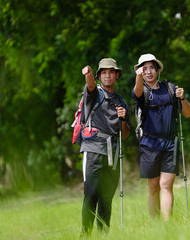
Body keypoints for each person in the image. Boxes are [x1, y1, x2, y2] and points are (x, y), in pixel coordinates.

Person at [132, 53, 190, 221]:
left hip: (170, 143)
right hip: (149, 142)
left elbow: (187, 113)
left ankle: (167, 225)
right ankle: (155, 224)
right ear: (140, 72)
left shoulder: (170, 88)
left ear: (157, 70)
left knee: (166, 184)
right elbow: (136, 92)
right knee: (153, 186)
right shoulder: (141, 90)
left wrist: (182, 98)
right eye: (145, 69)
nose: (149, 71)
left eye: (152, 67)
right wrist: (138, 78)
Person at [80, 58, 130, 235]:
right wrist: (89, 74)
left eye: (111, 72)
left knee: (106, 199)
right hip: (93, 150)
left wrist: (123, 119)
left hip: (113, 154)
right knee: (91, 196)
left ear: (117, 75)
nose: (108, 75)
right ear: (100, 76)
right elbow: (91, 85)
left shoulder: (121, 101)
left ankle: (103, 236)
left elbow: (125, 134)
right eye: (104, 73)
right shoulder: (94, 93)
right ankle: (85, 235)